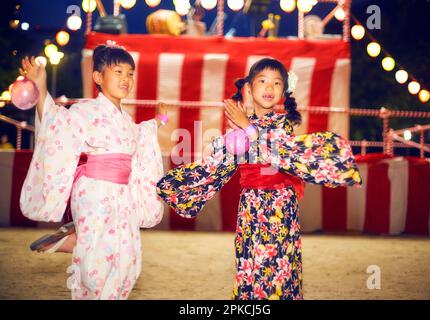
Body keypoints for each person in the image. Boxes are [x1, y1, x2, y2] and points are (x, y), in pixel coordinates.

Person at [156, 58, 362, 300]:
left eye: (276, 83)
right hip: (251, 205)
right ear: (249, 89)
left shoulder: (281, 124)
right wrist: (176, 183)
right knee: (249, 259)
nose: (269, 88)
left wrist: (246, 127)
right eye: (262, 81)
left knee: (277, 262)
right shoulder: (243, 126)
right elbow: (217, 163)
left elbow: (275, 151)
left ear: (284, 92)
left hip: (279, 205)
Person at [19, 41, 167, 300]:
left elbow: (141, 135)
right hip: (95, 193)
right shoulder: (85, 110)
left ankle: (76, 241)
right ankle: (78, 243)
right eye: (118, 72)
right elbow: (55, 122)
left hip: (123, 195)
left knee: (129, 258)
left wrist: (160, 121)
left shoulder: (126, 119)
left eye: (130, 73)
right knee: (96, 267)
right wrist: (41, 86)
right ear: (98, 77)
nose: (126, 79)